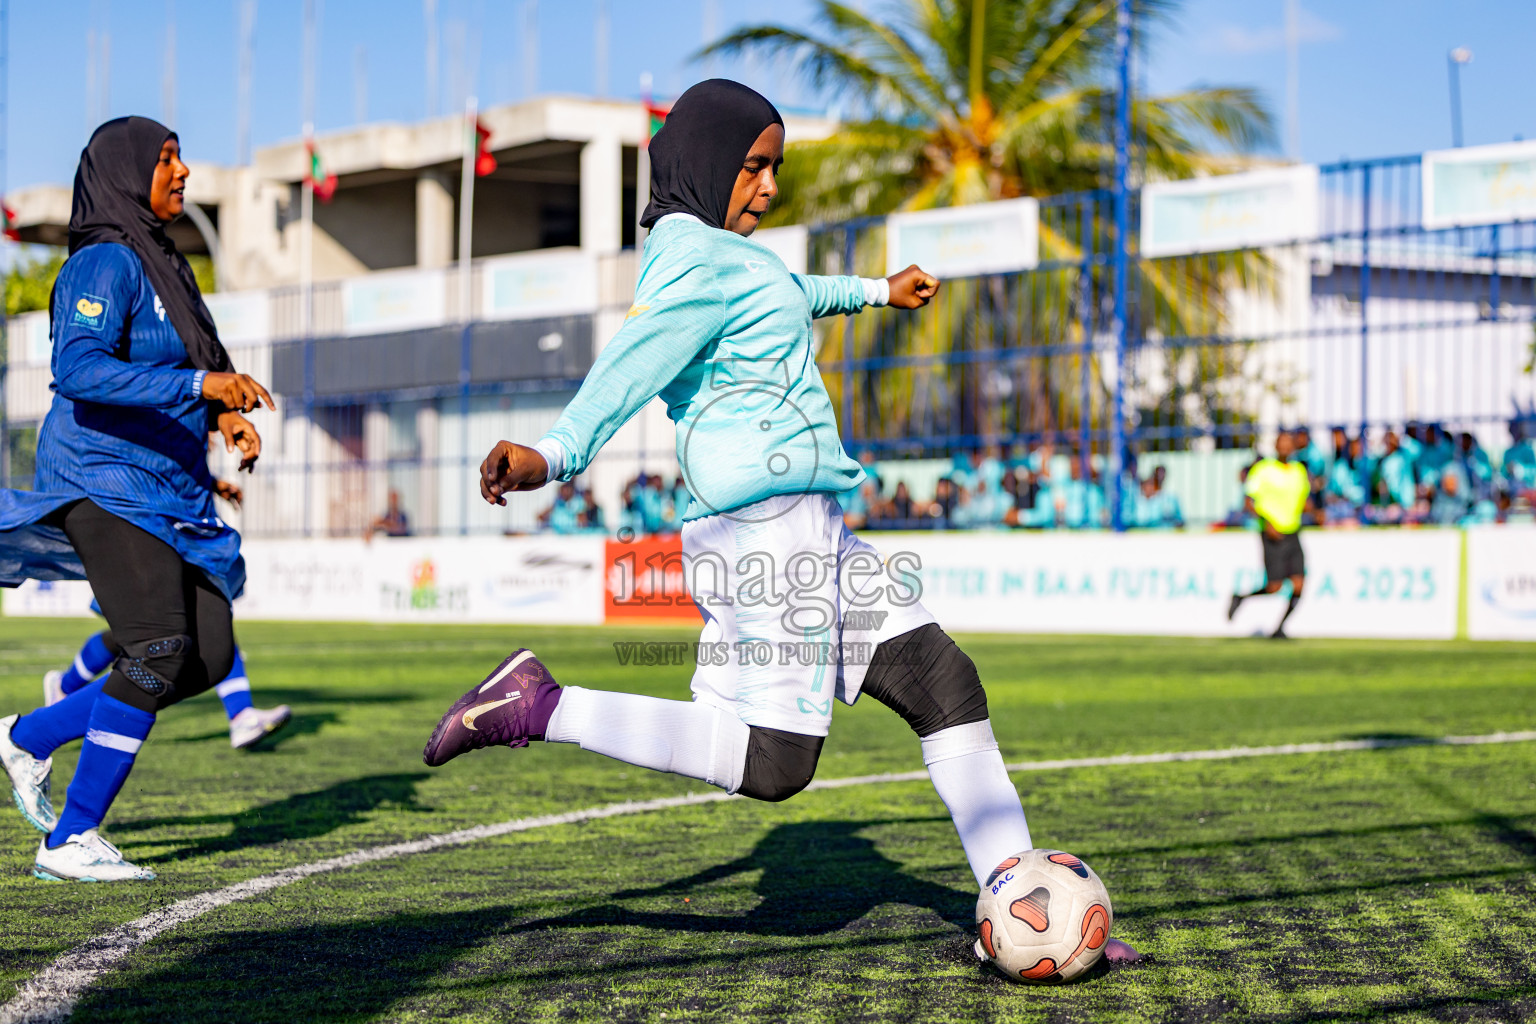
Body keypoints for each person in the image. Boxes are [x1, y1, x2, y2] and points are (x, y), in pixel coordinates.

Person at [420, 82, 1138, 963]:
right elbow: (634, 361)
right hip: (767, 535)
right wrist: (556, 452)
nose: (766, 186)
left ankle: (1022, 908)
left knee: (946, 686)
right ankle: (539, 705)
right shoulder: (691, 260)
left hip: (813, 530)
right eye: (753, 167)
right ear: (707, 160)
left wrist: (878, 289)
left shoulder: (730, 257)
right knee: (773, 765)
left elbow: (795, 291)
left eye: (774, 168)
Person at [0, 118, 274, 882]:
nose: (183, 171)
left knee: (208, 654)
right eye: (165, 159)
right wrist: (200, 386)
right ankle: (69, 839)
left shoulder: (165, 264)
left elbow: (189, 366)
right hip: (101, 478)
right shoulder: (104, 262)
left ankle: (28, 738)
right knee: (157, 647)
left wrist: (224, 418)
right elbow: (80, 371)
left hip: (167, 492)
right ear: (125, 174)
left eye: (181, 156)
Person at [44, 482, 291, 751]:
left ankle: (241, 714)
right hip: (141, 532)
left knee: (204, 624)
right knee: (142, 639)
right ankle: (49, 711)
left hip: (173, 536)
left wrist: (210, 481)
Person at [1226, 430, 1320, 639]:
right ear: (1276, 446)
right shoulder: (1263, 470)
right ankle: (1241, 597)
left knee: (1298, 583)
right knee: (1274, 586)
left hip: (1293, 532)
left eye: (1289, 443)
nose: (1286, 447)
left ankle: (1279, 629)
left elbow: (1304, 501)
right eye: (1282, 443)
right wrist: (1266, 523)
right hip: (1272, 534)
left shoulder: (1299, 471)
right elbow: (1249, 501)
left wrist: (1317, 513)